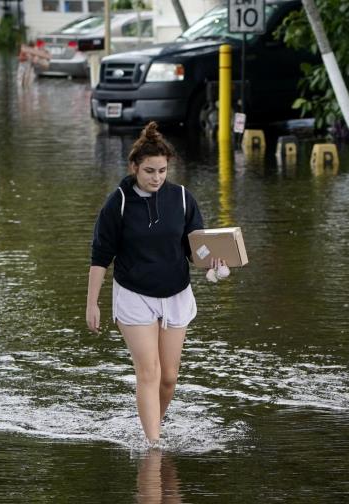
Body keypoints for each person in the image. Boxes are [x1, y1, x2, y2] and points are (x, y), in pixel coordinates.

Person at [86, 122, 222, 445]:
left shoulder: (183, 199)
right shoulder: (117, 203)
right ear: (134, 167)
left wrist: (215, 266)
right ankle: (153, 447)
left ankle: (152, 427)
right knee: (149, 372)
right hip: (134, 295)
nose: (157, 177)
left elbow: (196, 250)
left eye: (162, 170)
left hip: (176, 294)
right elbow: (100, 255)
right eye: (149, 171)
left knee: (169, 379)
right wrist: (92, 303)